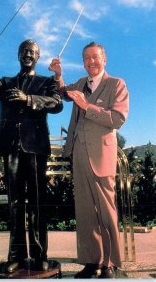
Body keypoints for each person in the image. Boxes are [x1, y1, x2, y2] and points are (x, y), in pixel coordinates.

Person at [0, 39, 63, 274]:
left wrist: (28, 99)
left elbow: (57, 104)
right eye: (24, 51)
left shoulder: (46, 83)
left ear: (37, 57)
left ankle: (39, 256)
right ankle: (16, 255)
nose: (28, 54)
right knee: (14, 203)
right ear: (18, 55)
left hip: (36, 147)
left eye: (32, 52)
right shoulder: (6, 82)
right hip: (11, 147)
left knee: (37, 203)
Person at [49, 42, 129, 278]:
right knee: (84, 210)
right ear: (83, 62)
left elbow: (117, 119)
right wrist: (58, 75)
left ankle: (111, 263)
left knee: (106, 211)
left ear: (104, 59)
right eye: (86, 58)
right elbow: (63, 93)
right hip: (79, 153)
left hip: (102, 155)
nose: (91, 61)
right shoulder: (80, 84)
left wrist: (87, 105)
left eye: (95, 57)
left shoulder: (117, 84)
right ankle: (92, 262)